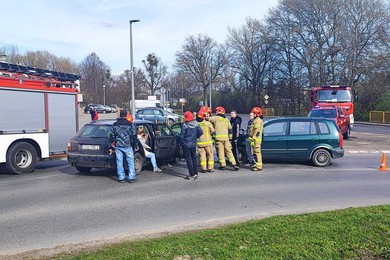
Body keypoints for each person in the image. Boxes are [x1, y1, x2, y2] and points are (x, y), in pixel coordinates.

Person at [112, 109, 138, 183]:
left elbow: (112, 136)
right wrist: (135, 144)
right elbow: (134, 135)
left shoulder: (115, 124)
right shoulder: (130, 124)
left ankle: (121, 177)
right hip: (128, 145)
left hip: (118, 145)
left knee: (119, 162)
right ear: (126, 115)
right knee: (130, 161)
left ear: (120, 115)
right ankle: (131, 177)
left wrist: (111, 146)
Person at [209, 106, 239, 171]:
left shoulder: (216, 118)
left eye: (217, 111)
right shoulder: (226, 119)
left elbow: (207, 119)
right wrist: (230, 138)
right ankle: (234, 164)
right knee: (229, 151)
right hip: (226, 139)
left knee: (221, 152)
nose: (216, 112)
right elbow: (230, 129)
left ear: (219, 111)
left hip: (218, 139)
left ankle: (222, 165)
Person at [179, 111, 203, 180]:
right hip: (193, 144)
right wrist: (195, 137)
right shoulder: (196, 124)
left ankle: (191, 174)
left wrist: (182, 143)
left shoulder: (185, 125)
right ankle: (196, 173)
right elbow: (201, 132)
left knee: (189, 159)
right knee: (194, 158)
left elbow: (181, 136)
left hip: (186, 144)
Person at [248, 107, 264, 171]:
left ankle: (259, 166)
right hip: (254, 140)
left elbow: (257, 131)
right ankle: (256, 164)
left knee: (257, 153)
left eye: (253, 113)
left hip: (256, 140)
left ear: (256, 114)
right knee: (255, 153)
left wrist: (253, 138)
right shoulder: (256, 120)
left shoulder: (258, 121)